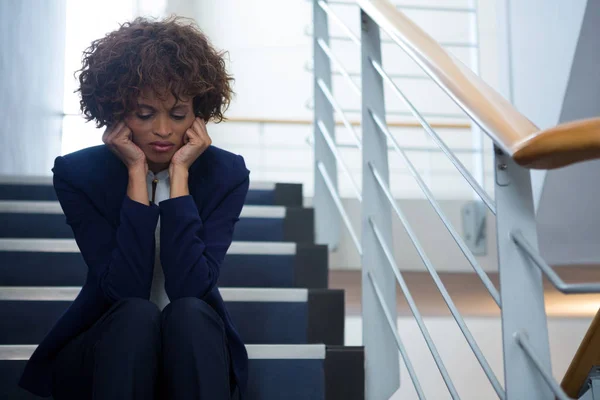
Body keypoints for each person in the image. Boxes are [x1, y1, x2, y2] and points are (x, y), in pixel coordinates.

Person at [18, 16, 249, 400]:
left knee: (190, 314)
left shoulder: (226, 174)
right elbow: (125, 289)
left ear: (199, 114)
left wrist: (179, 176)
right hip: (109, 347)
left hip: (194, 349)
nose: (162, 130)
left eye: (177, 114)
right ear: (116, 111)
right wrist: (136, 173)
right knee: (136, 317)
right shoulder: (79, 174)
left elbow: (190, 286)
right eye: (144, 114)